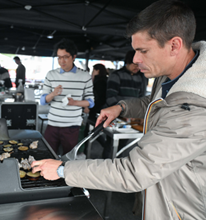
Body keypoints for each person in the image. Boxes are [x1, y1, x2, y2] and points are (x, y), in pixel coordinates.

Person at [32, 1, 206, 219]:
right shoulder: (172, 73)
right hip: (162, 191)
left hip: (180, 209)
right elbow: (152, 103)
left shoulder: (196, 108)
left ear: (174, 45)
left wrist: (62, 170)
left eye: (143, 51)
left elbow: (133, 172)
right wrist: (121, 107)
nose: (135, 59)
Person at [40, 39, 94, 155]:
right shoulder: (51, 75)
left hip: (72, 126)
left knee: (68, 158)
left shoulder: (85, 76)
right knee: (48, 155)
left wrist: (75, 103)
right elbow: (43, 101)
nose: (61, 61)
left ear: (74, 57)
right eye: (59, 57)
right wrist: (53, 94)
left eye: (65, 57)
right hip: (52, 124)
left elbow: (91, 102)